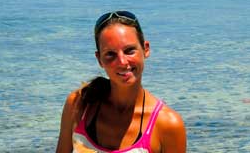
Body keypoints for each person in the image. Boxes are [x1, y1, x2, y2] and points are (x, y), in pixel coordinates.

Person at [57, 11, 186, 153]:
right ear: (99, 59)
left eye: (129, 50)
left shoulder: (167, 125)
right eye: (110, 54)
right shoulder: (79, 104)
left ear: (146, 49)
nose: (122, 62)